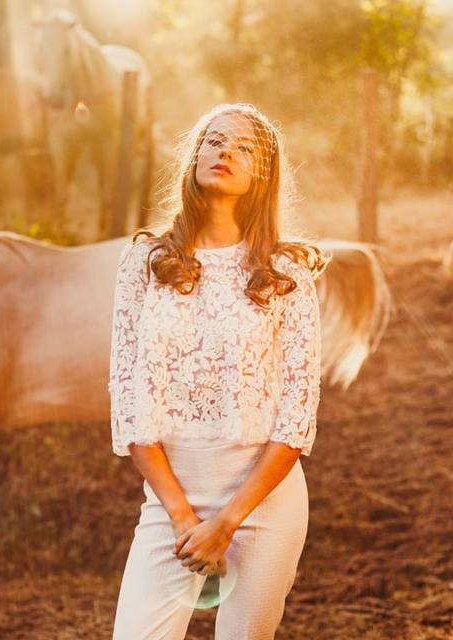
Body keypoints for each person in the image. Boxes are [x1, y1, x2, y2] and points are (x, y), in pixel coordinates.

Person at [107, 102, 330, 640]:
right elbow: (128, 402)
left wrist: (227, 521)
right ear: (194, 158)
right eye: (213, 140)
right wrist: (184, 518)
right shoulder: (145, 264)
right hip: (170, 503)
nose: (225, 150)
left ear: (263, 174)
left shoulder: (287, 274)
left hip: (264, 506)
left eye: (245, 147)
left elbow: (297, 416)